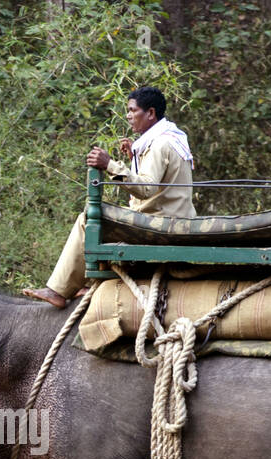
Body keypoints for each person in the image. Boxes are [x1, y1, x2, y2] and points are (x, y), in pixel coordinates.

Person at [23, 86, 196, 309]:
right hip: (175, 219)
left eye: (133, 110)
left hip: (159, 225)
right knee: (105, 220)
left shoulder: (160, 144)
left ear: (150, 113)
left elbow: (146, 189)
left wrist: (110, 165)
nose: (128, 115)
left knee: (88, 220)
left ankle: (59, 290)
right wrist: (135, 154)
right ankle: (84, 281)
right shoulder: (169, 137)